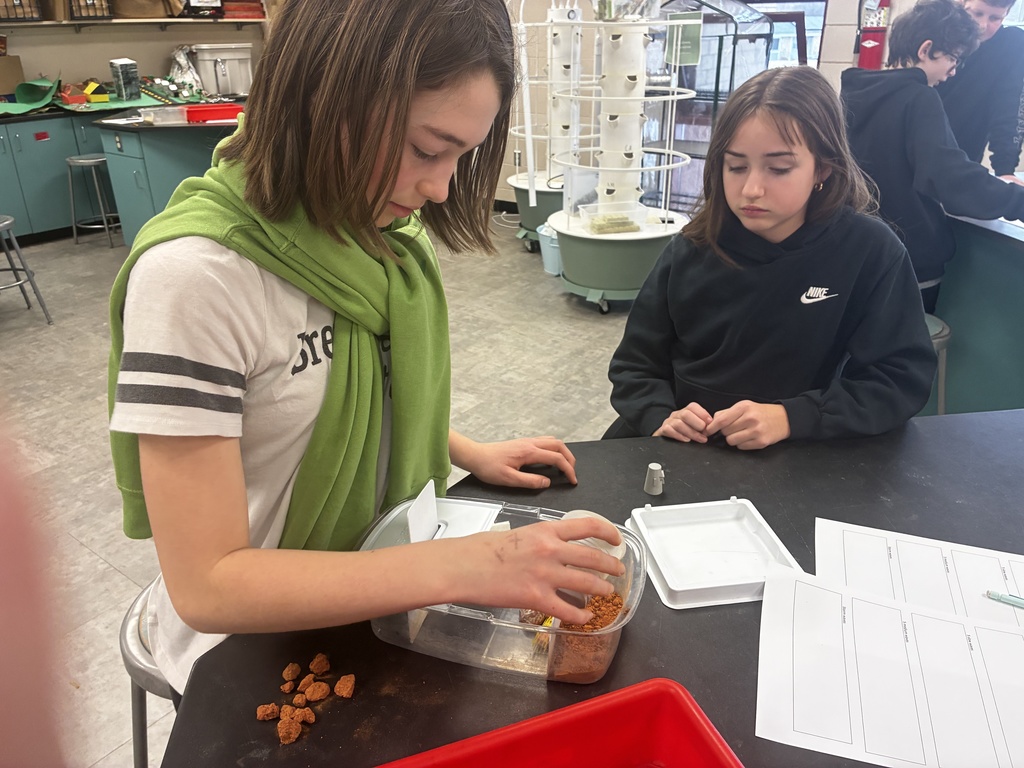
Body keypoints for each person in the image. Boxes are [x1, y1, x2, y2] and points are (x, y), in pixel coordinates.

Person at [107, 0, 624, 699]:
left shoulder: (380, 239)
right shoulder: (196, 280)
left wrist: (463, 450)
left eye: (461, 157)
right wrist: (473, 565)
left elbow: (356, 395)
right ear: (327, 95)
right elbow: (208, 581)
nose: (440, 188)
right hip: (255, 649)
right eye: (425, 148)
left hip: (378, 604)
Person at [604, 66, 936, 450]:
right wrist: (659, 415)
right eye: (736, 166)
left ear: (822, 168)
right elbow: (634, 365)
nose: (751, 188)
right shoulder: (692, 245)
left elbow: (899, 379)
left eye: (779, 168)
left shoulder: (870, 251)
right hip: (678, 449)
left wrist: (791, 417)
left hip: (793, 452)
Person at [841, 0, 1024, 313]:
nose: (953, 71)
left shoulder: (853, 92)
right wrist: (1015, 199)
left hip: (853, 252)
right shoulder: (920, 97)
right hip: (907, 261)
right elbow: (950, 180)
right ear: (926, 50)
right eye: (952, 58)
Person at [937, 0, 1024, 183]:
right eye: (977, 14)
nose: (983, 26)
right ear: (961, 3)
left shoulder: (1011, 45)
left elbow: (1009, 107)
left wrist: (1005, 169)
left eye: (995, 18)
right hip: (917, 149)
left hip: (963, 160)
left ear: (1006, 14)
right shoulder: (935, 32)